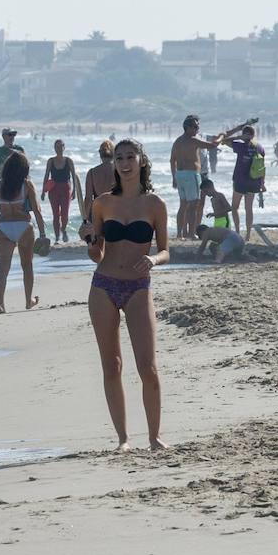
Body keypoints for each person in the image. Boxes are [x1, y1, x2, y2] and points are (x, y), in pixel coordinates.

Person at [85, 139, 170, 451]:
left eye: (130, 156)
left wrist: (153, 259)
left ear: (141, 161)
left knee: (147, 365)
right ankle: (122, 439)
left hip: (138, 286)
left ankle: (154, 437)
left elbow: (165, 250)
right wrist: (91, 241)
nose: (124, 162)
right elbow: (97, 254)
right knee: (112, 365)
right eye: (119, 157)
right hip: (103, 285)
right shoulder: (103, 203)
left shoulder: (155, 205)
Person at [0, 151, 46, 313]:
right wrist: (42, 234)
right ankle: (28, 300)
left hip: (4, 228)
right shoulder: (27, 185)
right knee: (27, 266)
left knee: (3, 269)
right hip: (24, 227)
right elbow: (37, 211)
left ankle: (0, 303)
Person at [169, 116, 226, 240]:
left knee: (183, 205)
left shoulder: (177, 141)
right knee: (194, 205)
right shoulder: (193, 140)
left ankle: (180, 233)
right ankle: (191, 233)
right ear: (187, 127)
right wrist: (222, 136)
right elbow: (212, 145)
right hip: (191, 174)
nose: (197, 128)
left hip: (180, 175)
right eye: (195, 126)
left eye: (198, 126)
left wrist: (174, 177)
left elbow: (172, 160)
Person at [227, 125, 267, 240]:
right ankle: (248, 234)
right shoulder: (260, 147)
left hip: (240, 180)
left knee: (235, 207)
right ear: (254, 134)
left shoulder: (240, 145)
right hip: (254, 181)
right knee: (248, 208)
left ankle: (238, 232)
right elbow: (262, 167)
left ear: (245, 134)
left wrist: (239, 136)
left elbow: (224, 141)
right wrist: (262, 183)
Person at [41, 139, 81, 244]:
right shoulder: (50, 161)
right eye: (57, 147)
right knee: (55, 214)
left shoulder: (69, 161)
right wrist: (43, 191)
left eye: (61, 146)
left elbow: (73, 176)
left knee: (65, 214)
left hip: (65, 189)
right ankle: (57, 237)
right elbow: (46, 175)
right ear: (54, 148)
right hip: (53, 189)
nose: (59, 148)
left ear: (64, 147)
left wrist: (75, 191)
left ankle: (63, 230)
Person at [83, 139, 116, 218]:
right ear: (114, 153)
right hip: (116, 210)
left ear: (100, 154)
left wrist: (85, 219)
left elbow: (88, 199)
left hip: (97, 211)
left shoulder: (92, 172)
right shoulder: (119, 171)